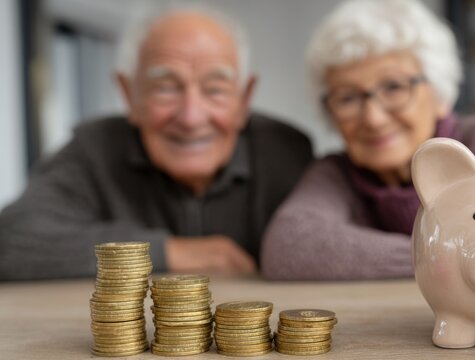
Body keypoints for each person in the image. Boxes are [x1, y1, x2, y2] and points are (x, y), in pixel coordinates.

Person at [261, 0, 475, 280]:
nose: (373, 117)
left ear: (440, 91)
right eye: (348, 98)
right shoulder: (336, 172)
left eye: (394, 87)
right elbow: (287, 248)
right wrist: (452, 259)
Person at [0, 5, 312, 280]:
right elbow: (11, 241)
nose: (191, 117)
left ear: (244, 99)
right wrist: (170, 252)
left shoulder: (287, 154)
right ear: (129, 95)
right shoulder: (92, 150)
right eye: (165, 87)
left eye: (215, 89)